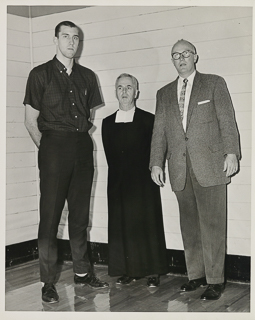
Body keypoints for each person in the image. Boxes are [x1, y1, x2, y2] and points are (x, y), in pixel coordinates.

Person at [23, 21, 109, 304]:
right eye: (66, 37)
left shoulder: (87, 76)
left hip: (82, 147)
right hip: (53, 149)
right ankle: (48, 282)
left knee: (80, 217)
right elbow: (30, 121)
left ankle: (83, 274)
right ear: (55, 40)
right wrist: (48, 148)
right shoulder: (39, 75)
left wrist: (74, 143)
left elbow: (89, 117)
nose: (72, 42)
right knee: (50, 218)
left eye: (76, 38)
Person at [150, 39, 240, 300]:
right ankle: (196, 276)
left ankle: (215, 280)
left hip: (211, 165)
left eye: (186, 54)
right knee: (189, 225)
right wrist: (156, 162)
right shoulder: (164, 93)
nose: (181, 59)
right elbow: (159, 132)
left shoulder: (213, 83)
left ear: (195, 57)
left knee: (212, 224)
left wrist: (231, 153)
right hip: (179, 167)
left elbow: (227, 119)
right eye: (175, 55)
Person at [102, 73, 168, 287]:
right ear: (115, 91)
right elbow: (110, 154)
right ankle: (127, 270)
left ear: (136, 92)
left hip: (143, 182)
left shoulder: (149, 120)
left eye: (129, 87)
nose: (124, 92)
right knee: (122, 224)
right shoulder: (107, 123)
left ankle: (152, 271)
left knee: (146, 223)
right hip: (118, 182)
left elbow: (156, 150)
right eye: (120, 87)